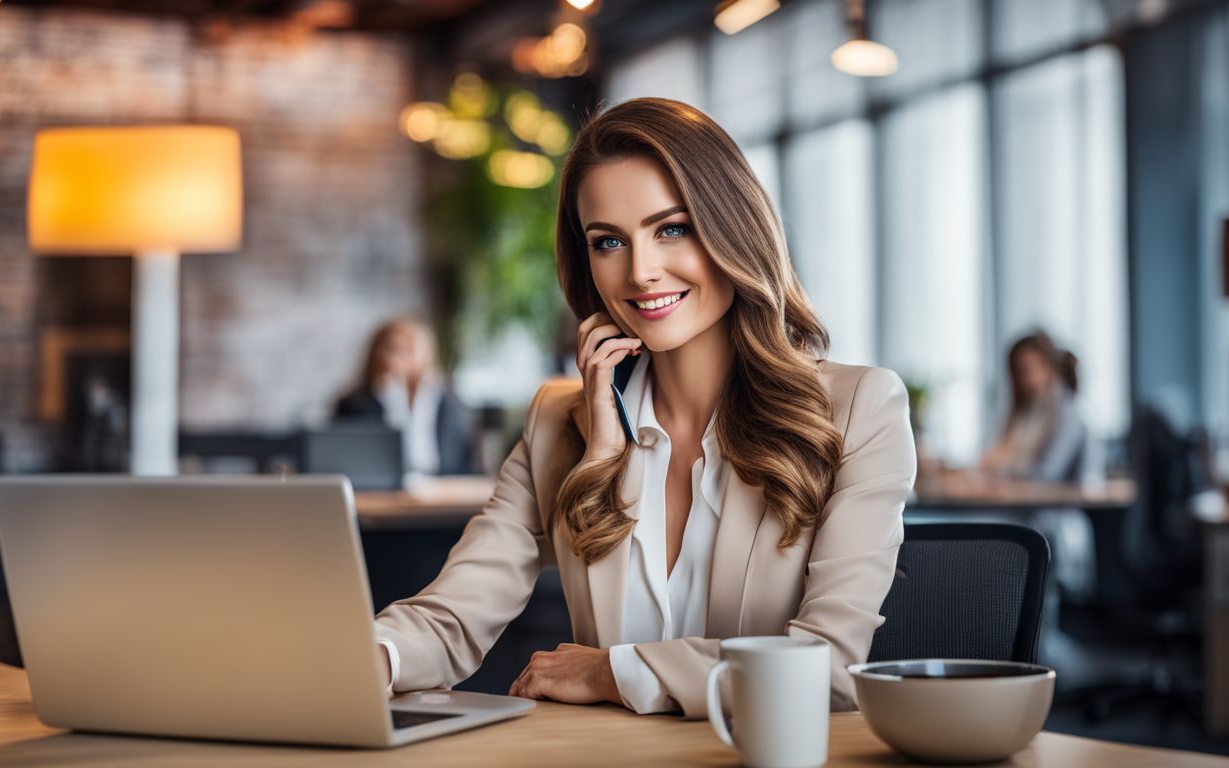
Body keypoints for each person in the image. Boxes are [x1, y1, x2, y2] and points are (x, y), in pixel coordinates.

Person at [373, 98, 916, 717]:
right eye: (607, 242)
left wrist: (615, 672)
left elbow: (829, 668)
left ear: (733, 228)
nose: (640, 272)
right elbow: (451, 617)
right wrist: (370, 656)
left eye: (672, 229)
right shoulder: (560, 421)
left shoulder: (858, 408)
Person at [334, 317, 478, 476]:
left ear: (426, 353)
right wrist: (391, 400)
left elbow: (469, 458)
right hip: (380, 491)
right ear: (377, 353)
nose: (400, 357)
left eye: (409, 349)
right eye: (393, 349)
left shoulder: (449, 402)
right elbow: (348, 458)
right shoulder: (354, 404)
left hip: (445, 488)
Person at [981, 330, 1087, 482]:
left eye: (1033, 368)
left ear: (1051, 366)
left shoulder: (1066, 414)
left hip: (1050, 503)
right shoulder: (1025, 411)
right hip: (1018, 499)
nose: (1028, 378)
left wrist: (1005, 464)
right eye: (1021, 372)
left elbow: (1047, 473)